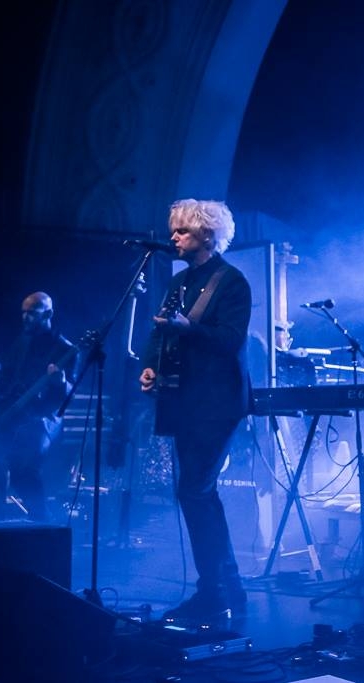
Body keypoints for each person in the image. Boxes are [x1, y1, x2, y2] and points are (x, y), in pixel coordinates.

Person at [139, 199, 251, 621]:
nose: (173, 237)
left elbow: (231, 340)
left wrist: (190, 328)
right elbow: (160, 334)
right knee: (199, 493)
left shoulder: (231, 281)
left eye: (182, 231)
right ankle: (226, 587)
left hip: (217, 403)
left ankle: (214, 591)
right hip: (185, 400)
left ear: (207, 234)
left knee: (195, 491)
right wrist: (150, 366)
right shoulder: (179, 282)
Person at [0, 292, 79, 521]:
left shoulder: (65, 349)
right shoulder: (21, 342)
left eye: (32, 313)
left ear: (48, 314)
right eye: (23, 313)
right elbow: (4, 377)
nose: (25, 318)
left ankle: (43, 521)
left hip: (45, 418)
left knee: (25, 467)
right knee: (0, 462)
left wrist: (61, 382)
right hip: (16, 414)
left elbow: (69, 395)